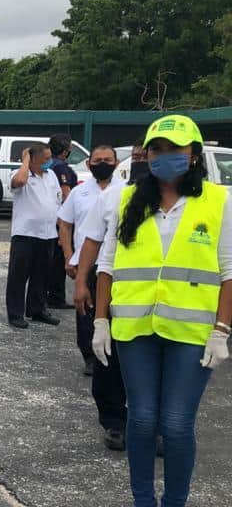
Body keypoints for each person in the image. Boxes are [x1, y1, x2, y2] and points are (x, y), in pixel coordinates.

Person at [93, 115, 232, 507]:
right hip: (135, 328)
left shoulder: (218, 201)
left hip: (192, 333)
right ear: (146, 155)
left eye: (173, 148)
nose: (163, 156)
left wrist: (222, 330)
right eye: (155, 149)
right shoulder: (130, 199)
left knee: (175, 425)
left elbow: (228, 271)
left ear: (193, 154)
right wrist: (99, 319)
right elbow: (107, 264)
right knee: (141, 420)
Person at [73, 145, 149, 451]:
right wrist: (81, 282)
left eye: (149, 156)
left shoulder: (185, 203)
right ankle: (115, 423)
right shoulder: (115, 197)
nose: (146, 163)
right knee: (109, 362)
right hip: (114, 288)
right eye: (142, 158)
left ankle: (151, 426)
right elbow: (92, 241)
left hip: (160, 299)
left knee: (150, 366)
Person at [58, 145, 123, 377]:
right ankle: (90, 358)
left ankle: (116, 355)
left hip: (117, 264)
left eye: (108, 159)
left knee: (115, 312)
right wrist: (68, 256)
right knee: (85, 311)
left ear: (116, 163)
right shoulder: (79, 192)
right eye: (97, 160)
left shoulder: (126, 191)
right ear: (88, 164)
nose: (102, 163)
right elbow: (64, 224)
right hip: (86, 262)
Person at [6, 143, 62, 328]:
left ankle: (37, 310)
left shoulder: (51, 175)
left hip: (48, 234)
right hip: (25, 233)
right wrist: (25, 161)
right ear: (34, 159)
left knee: (42, 275)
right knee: (18, 276)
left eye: (50, 157)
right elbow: (19, 183)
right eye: (45, 159)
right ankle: (15, 313)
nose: (49, 161)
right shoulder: (20, 174)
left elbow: (56, 201)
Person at [46, 134, 78, 309]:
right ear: (65, 151)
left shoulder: (50, 165)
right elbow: (66, 194)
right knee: (59, 261)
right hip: (62, 220)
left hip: (52, 217)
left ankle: (50, 295)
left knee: (52, 260)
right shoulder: (61, 168)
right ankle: (56, 297)